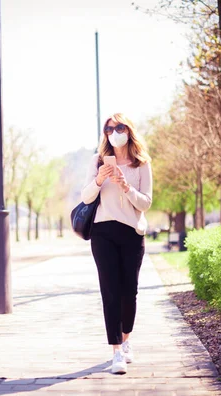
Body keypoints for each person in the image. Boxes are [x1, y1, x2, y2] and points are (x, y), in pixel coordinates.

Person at [81, 113, 153, 375]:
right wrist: (99, 179)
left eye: (119, 127)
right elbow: (86, 197)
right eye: (109, 129)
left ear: (128, 130)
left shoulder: (141, 164)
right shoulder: (97, 161)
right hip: (103, 232)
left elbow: (146, 203)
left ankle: (126, 340)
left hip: (132, 232)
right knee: (109, 291)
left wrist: (125, 185)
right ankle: (116, 352)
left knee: (129, 291)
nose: (114, 132)